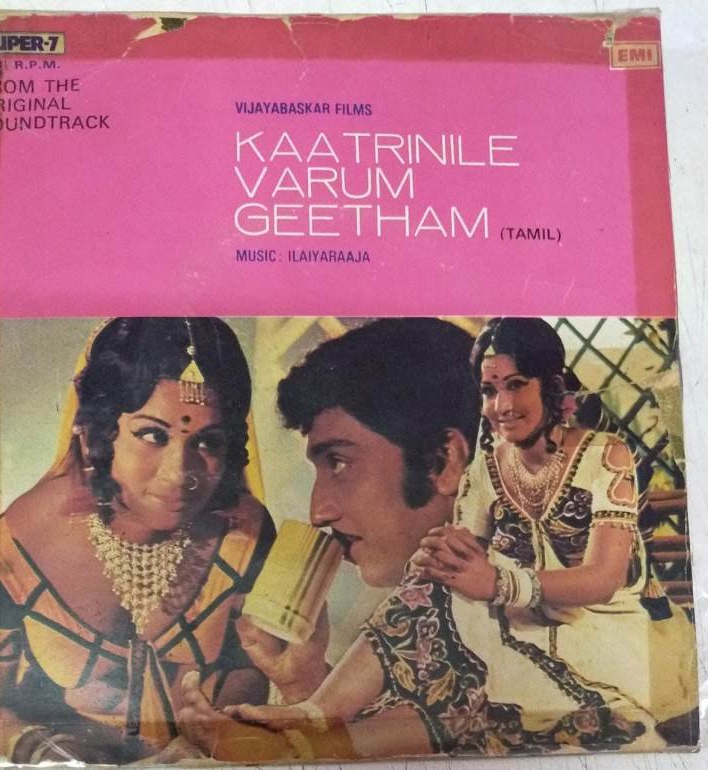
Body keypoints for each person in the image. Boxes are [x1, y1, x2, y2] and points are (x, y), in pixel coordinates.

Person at [177, 317, 696, 760]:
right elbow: (452, 566)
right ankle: (310, 721)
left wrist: (497, 584)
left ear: (445, 459)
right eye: (489, 390)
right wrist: (303, 681)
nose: (319, 512)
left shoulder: (604, 456)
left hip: (606, 643)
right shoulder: (492, 466)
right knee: (438, 577)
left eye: (339, 462)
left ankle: (305, 739)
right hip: (507, 635)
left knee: (464, 665)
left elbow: (602, 580)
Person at [0, 318, 275, 764]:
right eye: (152, 435)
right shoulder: (9, 551)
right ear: (95, 434)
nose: (180, 473)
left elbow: (252, 670)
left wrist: (213, 736)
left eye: (208, 442)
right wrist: (52, 756)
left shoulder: (245, 533)